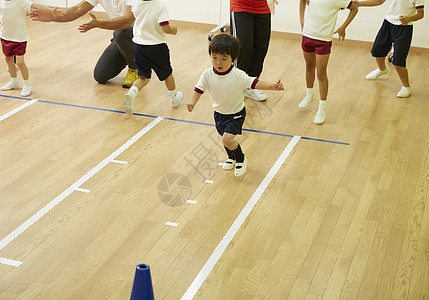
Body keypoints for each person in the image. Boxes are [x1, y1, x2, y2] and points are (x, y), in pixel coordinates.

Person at [186, 34, 284, 177]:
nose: (218, 62)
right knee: (224, 139)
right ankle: (231, 158)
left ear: (233, 59)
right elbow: (198, 89)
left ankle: (241, 159)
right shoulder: (207, 74)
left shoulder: (238, 75)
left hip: (236, 114)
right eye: (214, 58)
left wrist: (272, 86)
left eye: (224, 59)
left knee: (227, 139)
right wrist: (192, 103)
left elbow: (254, 83)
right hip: (219, 113)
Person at [78, 0, 183, 117]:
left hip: (138, 47)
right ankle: (174, 99)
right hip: (156, 46)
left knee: (143, 77)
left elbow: (127, 20)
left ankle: (132, 92)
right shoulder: (160, 5)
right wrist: (174, 29)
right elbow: (165, 28)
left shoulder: (136, 2)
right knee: (167, 74)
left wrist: (98, 23)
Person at [28, 0, 138, 88]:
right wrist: (53, 16)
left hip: (142, 38)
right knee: (100, 75)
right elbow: (76, 10)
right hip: (123, 38)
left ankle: (135, 69)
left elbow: (126, 21)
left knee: (120, 33)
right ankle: (128, 53)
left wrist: (97, 23)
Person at [299, 0, 358, 124]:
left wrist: (343, 27)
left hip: (323, 40)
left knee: (321, 73)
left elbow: (354, 9)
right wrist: (301, 20)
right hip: (307, 35)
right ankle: (309, 95)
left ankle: (322, 108)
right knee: (309, 67)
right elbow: (302, 1)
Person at [355, 0, 424, 98]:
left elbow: (421, 14)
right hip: (387, 24)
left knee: (398, 63)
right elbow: (379, 1)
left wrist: (409, 18)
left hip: (404, 28)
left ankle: (406, 87)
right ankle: (382, 69)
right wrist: (360, 3)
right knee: (377, 52)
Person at [0, 0, 54, 96]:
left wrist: (52, 10)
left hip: (19, 38)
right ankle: (14, 82)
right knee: (8, 60)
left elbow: (36, 5)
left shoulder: (20, 2)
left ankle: (27, 85)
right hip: (5, 36)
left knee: (20, 63)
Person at [230, 0, 278, 101]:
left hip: (263, 7)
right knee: (243, 49)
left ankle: (251, 85)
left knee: (260, 48)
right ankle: (237, 86)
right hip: (241, 6)